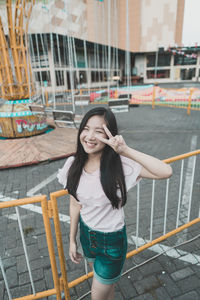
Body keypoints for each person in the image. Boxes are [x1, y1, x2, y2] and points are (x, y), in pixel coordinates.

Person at [57, 107, 172, 300]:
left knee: (97, 296)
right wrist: (71, 239)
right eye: (86, 129)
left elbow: (165, 171)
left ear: (110, 135)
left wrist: (125, 150)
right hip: (87, 236)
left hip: (112, 241)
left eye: (99, 131)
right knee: (106, 287)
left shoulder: (121, 166)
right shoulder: (73, 165)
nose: (90, 136)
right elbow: (75, 203)